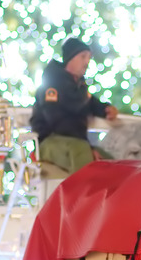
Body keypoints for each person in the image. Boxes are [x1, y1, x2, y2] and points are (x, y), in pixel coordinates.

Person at [30, 37, 119, 174]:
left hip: (76, 143)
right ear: (71, 58)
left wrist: (106, 109)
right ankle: (83, 194)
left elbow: (91, 103)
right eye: (83, 56)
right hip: (49, 141)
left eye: (89, 57)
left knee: (112, 164)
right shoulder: (52, 84)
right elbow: (56, 120)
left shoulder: (80, 87)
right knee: (81, 151)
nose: (87, 62)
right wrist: (88, 148)